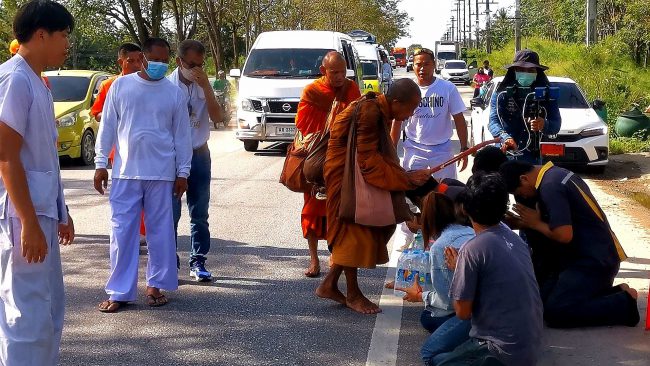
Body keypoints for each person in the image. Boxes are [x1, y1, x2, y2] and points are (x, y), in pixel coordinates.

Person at [316, 79, 431, 314]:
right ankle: (353, 293)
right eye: (409, 109)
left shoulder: (379, 107)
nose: (409, 115)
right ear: (396, 102)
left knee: (362, 228)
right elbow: (367, 162)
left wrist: (403, 178)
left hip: (352, 173)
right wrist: (405, 181)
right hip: (346, 177)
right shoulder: (370, 112)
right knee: (355, 230)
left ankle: (329, 284)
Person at [0, 1, 75, 364]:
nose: (67, 44)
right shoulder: (14, 79)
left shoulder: (37, 82)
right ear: (41, 34)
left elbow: (43, 158)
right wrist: (28, 220)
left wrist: (63, 210)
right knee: (25, 313)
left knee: (46, 306)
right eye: (63, 35)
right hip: (21, 215)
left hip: (40, 210)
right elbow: (6, 156)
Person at [94, 37, 192, 313]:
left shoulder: (174, 93)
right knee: (121, 233)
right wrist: (101, 163)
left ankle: (155, 286)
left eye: (165, 60)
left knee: (161, 233)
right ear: (142, 58)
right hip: (126, 173)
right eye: (155, 59)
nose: (160, 65)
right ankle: (119, 291)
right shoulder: (121, 87)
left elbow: (182, 137)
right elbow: (108, 128)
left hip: (162, 174)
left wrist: (183, 172)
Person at [499, 160, 640, 328]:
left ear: (524, 179)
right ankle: (613, 292)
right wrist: (523, 224)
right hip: (589, 255)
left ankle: (624, 304)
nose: (522, 196)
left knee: (556, 311)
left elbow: (564, 235)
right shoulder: (556, 173)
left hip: (593, 262)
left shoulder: (550, 186)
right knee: (540, 300)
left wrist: (534, 224)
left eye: (519, 192)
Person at [435, 173, 543, 366]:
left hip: (499, 351)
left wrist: (457, 270)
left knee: (432, 358)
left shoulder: (471, 250)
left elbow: (462, 312)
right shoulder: (513, 238)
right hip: (528, 347)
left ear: (465, 208)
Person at [389, 47, 469, 251]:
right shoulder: (408, 89)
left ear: (434, 65)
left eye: (426, 64)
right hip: (414, 150)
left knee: (443, 196)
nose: (422, 68)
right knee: (407, 195)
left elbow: (459, 118)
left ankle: (443, 236)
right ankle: (406, 233)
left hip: (442, 152)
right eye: (418, 64)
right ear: (412, 65)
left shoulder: (447, 88)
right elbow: (397, 121)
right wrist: (391, 151)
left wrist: (464, 146)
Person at [295, 51, 361, 277]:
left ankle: (336, 253)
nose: (339, 77)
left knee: (341, 211)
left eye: (343, 72)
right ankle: (314, 260)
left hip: (342, 159)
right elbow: (303, 124)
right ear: (324, 71)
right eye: (334, 72)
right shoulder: (312, 91)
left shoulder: (351, 89)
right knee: (312, 211)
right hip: (316, 160)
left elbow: (358, 119)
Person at [397, 192, 473, 365]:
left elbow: (448, 302)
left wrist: (420, 296)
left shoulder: (441, 246)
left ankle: (477, 353)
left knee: (428, 320)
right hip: (499, 306)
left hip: (476, 311)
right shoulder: (470, 230)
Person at [168, 39, 221, 282]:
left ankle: (198, 262)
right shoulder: (167, 86)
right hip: (173, 157)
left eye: (201, 65)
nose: (197, 70)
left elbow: (219, 116)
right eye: (191, 65)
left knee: (199, 212)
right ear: (179, 62)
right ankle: (170, 262)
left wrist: (207, 87)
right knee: (170, 213)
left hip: (199, 153)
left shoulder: (203, 83)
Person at [89, 43, 146, 244]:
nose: (136, 65)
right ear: (120, 62)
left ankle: (143, 231)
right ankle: (129, 233)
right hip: (119, 150)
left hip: (145, 150)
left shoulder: (149, 83)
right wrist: (114, 116)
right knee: (128, 196)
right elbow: (96, 113)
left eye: (140, 60)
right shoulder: (109, 85)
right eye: (131, 61)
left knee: (146, 192)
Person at [488, 49, 561, 163]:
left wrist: (543, 124)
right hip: (506, 154)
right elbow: (493, 121)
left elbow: (556, 125)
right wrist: (504, 137)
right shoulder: (501, 94)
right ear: (514, 71)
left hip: (532, 158)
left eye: (531, 70)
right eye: (521, 70)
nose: (526, 73)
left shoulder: (547, 95)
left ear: (537, 72)